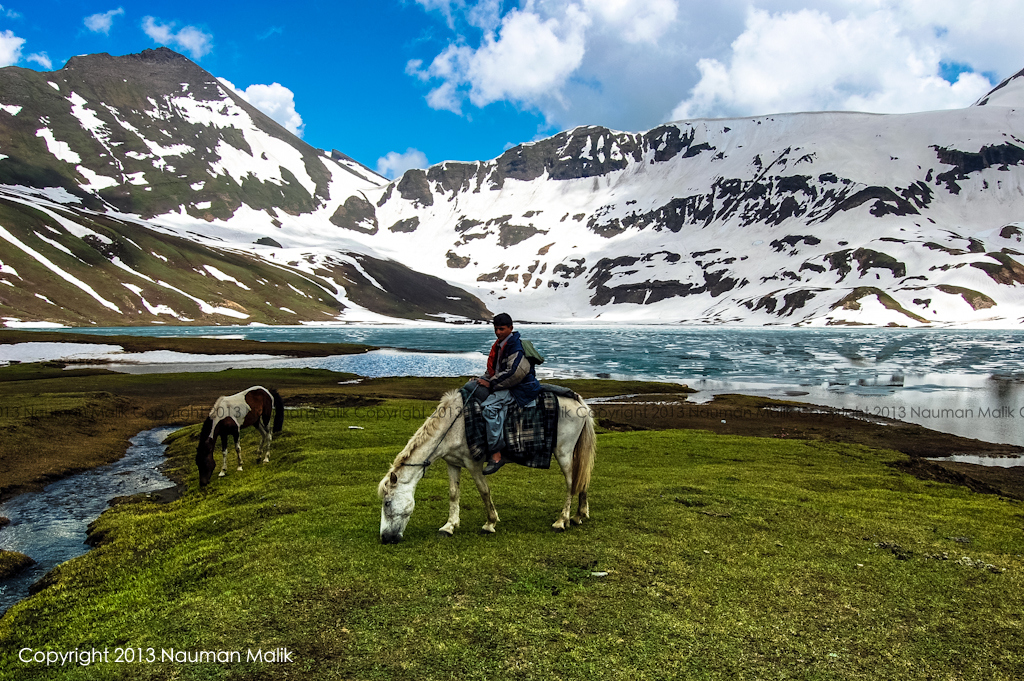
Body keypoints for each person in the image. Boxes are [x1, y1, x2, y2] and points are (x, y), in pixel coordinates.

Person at [473, 313, 541, 474]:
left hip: (520, 388)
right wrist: (483, 378)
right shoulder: (501, 344)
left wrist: (490, 384)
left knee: (489, 409)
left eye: (501, 329)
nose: (498, 332)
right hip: (508, 385)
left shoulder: (515, 347)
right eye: (496, 329)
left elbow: (515, 373)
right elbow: (496, 370)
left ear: (511, 328)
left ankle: (496, 455)